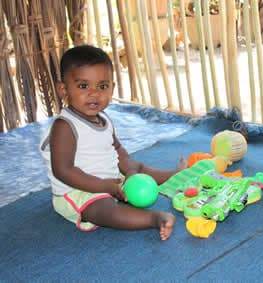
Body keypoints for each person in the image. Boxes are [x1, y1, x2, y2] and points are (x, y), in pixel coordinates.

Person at [40, 45, 187, 240]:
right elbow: (63, 171)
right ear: (63, 89)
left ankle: (173, 176)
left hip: (107, 178)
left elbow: (116, 149)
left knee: (138, 167)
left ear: (112, 88)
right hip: (77, 190)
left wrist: (130, 170)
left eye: (102, 86)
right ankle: (153, 219)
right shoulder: (64, 126)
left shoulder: (104, 118)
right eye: (83, 86)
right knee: (102, 209)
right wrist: (102, 186)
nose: (94, 93)